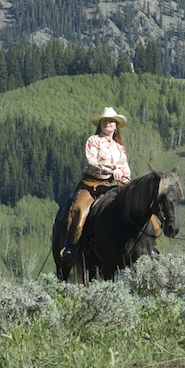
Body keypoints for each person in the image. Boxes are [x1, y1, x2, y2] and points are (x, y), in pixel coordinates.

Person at [62, 106, 133, 257]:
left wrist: (126, 180)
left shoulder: (119, 147)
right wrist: (109, 170)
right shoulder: (93, 141)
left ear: (116, 126)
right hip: (92, 183)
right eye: (104, 121)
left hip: (115, 184)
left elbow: (125, 167)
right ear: (100, 124)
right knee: (80, 209)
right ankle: (71, 246)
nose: (108, 123)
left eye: (111, 121)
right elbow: (91, 161)